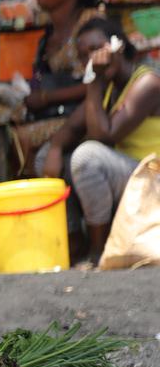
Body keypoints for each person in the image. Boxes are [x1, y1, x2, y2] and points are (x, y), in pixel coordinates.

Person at [39, 18, 160, 265]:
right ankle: (75, 239)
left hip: (151, 177)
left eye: (97, 49)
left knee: (88, 156)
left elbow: (105, 135)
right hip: (128, 173)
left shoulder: (148, 83)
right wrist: (55, 147)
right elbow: (70, 128)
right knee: (45, 156)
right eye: (84, 56)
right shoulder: (106, 87)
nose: (92, 59)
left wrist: (93, 81)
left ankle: (99, 249)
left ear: (120, 47)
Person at [14, 0, 104, 173]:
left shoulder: (91, 24)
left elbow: (98, 81)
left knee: (19, 139)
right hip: (55, 113)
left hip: (83, 116)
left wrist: (46, 98)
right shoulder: (49, 30)